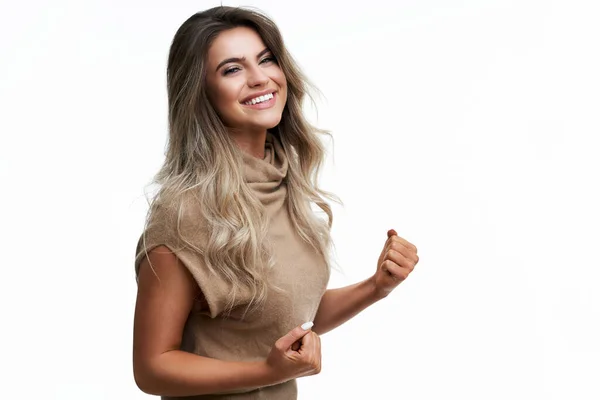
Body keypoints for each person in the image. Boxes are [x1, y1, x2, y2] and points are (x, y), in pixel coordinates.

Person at [132, 6, 419, 399]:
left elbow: (285, 317)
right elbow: (152, 368)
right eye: (232, 69)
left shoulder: (282, 182)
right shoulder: (183, 213)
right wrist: (266, 371)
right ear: (201, 93)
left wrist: (376, 287)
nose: (259, 77)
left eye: (266, 59)